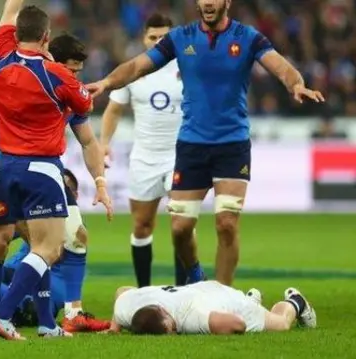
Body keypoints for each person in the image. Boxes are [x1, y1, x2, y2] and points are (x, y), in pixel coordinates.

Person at [87, 0, 324, 285]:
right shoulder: (181, 38)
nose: (208, 2)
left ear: (227, 2)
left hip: (232, 144)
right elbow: (138, 66)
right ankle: (196, 273)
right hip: (191, 146)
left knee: (226, 224)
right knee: (180, 228)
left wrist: (295, 83)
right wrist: (106, 83)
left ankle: (222, 295)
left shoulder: (247, 37)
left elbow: (281, 66)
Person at [0, 0, 112, 340]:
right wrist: (64, 74)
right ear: (45, 37)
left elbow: (9, 12)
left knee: (8, 241)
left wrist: (99, 180)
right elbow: (85, 101)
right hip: (40, 169)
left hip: (3, 166)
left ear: (15, 34)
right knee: (50, 249)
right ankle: (0, 315)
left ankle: (45, 323)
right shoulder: (56, 75)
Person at [100, 13, 193, 287]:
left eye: (164, 37)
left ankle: (183, 293)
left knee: (182, 225)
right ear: (144, 38)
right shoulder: (134, 70)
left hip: (182, 157)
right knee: (141, 226)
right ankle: (144, 291)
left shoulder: (189, 67)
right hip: (144, 159)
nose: (158, 41)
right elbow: (113, 110)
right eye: (153, 37)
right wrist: (104, 144)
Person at [0, 168, 110, 332]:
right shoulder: (39, 216)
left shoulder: (70, 228)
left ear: (74, 197)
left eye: (66, 192)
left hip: (34, 295)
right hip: (14, 276)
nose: (58, 196)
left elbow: (57, 253)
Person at [107, 281, 316, 335]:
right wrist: (115, 327)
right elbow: (122, 291)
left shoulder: (189, 316)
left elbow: (238, 324)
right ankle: (252, 300)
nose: (173, 332)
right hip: (201, 291)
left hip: (227, 300)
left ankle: (297, 302)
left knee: (280, 323)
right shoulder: (128, 306)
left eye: (171, 329)